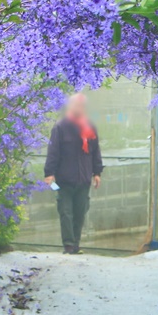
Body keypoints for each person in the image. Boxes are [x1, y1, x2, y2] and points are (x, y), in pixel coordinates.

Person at [44, 93, 102, 254]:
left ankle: (75, 244)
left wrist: (97, 172)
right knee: (65, 212)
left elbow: (95, 151)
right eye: (76, 104)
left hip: (83, 180)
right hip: (62, 181)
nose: (79, 108)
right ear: (70, 106)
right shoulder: (60, 127)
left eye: (81, 105)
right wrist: (49, 173)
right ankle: (68, 245)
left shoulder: (89, 127)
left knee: (80, 212)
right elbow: (53, 151)